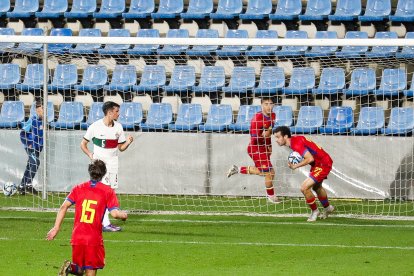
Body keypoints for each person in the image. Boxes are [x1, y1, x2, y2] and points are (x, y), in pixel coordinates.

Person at [46, 159, 128, 276]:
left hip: (77, 237)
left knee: (80, 270)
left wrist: (56, 228)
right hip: (93, 238)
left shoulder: (78, 188)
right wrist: (124, 215)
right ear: (104, 174)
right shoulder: (107, 191)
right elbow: (115, 214)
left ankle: (70, 267)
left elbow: (63, 207)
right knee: (90, 271)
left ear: (90, 172)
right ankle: (70, 267)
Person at [80, 101, 133, 232]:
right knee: (104, 192)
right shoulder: (95, 126)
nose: (118, 114)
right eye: (116, 111)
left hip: (113, 163)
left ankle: (100, 221)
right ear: (109, 112)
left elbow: (121, 148)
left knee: (110, 191)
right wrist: (90, 155)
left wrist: (128, 142)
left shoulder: (118, 127)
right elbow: (83, 144)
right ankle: (104, 223)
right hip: (100, 165)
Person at [273, 126, 335, 222]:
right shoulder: (295, 140)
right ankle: (328, 208)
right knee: (316, 187)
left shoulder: (296, 144)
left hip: (323, 163)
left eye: (278, 137)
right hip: (319, 163)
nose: (276, 140)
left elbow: (310, 159)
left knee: (304, 188)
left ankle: (315, 211)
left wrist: (295, 166)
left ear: (285, 136)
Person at [227, 97, 279, 204]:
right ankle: (271, 197)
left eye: (271, 104)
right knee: (269, 172)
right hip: (255, 148)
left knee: (265, 172)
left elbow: (269, 131)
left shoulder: (273, 115)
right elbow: (254, 138)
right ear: (261, 105)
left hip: (264, 147)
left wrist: (269, 145)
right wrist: (263, 136)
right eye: (266, 104)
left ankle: (237, 169)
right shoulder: (257, 119)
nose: (269, 106)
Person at [18, 100, 44, 195]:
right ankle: (29, 184)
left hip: (38, 148)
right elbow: (22, 133)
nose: (44, 111)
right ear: (37, 110)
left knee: (30, 165)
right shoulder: (32, 120)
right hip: (31, 147)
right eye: (42, 108)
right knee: (36, 162)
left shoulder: (43, 121)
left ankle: (21, 186)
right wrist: (29, 143)